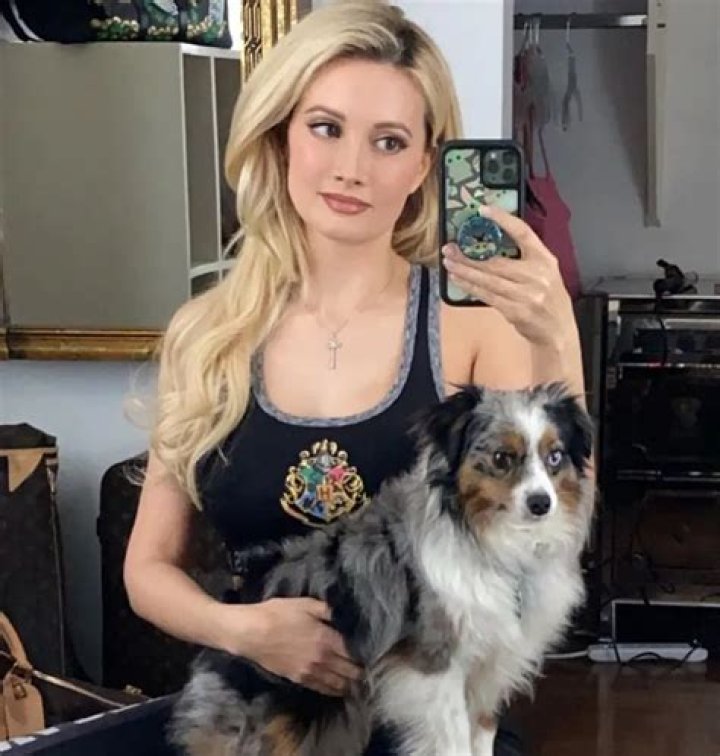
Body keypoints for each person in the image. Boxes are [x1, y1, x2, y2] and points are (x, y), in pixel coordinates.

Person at [123, 1, 586, 753]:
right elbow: (147, 569)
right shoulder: (208, 336)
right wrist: (245, 631)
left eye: (389, 141)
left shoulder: (474, 327)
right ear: (281, 136)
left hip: (428, 728)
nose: (352, 168)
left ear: (424, 164)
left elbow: (550, 544)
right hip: (266, 719)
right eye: (326, 127)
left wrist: (556, 332)